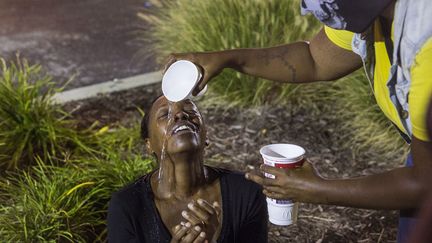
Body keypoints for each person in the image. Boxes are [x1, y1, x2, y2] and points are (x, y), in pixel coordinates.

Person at [164, 0, 432, 242]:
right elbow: (314, 59)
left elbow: (424, 183)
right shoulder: (368, 10)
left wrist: (317, 189)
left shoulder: (426, 45)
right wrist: (227, 59)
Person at [107, 96, 268, 243]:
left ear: (206, 136)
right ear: (149, 145)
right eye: (165, 114)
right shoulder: (128, 206)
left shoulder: (246, 192)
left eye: (191, 112)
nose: (181, 115)